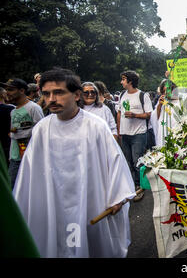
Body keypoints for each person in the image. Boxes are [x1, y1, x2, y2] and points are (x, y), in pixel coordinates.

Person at [13, 68, 136, 257]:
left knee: (89, 245)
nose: (51, 99)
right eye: (46, 94)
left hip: (90, 201)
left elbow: (115, 162)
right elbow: (29, 174)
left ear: (76, 94)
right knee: (59, 244)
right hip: (54, 202)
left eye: (59, 92)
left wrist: (117, 196)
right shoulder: (41, 130)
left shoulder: (95, 126)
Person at [0, 79, 44, 189]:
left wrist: (21, 134)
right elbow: (14, 131)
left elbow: (41, 129)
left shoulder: (33, 108)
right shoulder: (13, 111)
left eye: (11, 89)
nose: (7, 92)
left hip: (29, 157)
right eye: (6, 89)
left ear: (22, 90)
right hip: (15, 156)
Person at [117, 70, 152, 202]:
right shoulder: (121, 95)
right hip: (125, 134)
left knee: (137, 161)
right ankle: (131, 185)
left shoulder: (143, 95)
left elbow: (149, 114)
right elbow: (119, 113)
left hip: (139, 134)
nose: (121, 82)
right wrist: (119, 130)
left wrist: (135, 115)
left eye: (123, 79)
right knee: (128, 162)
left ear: (130, 81)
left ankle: (140, 187)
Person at [0, 88, 14, 167]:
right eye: (6, 92)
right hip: (8, 142)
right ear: (2, 95)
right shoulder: (10, 109)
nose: (8, 94)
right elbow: (13, 126)